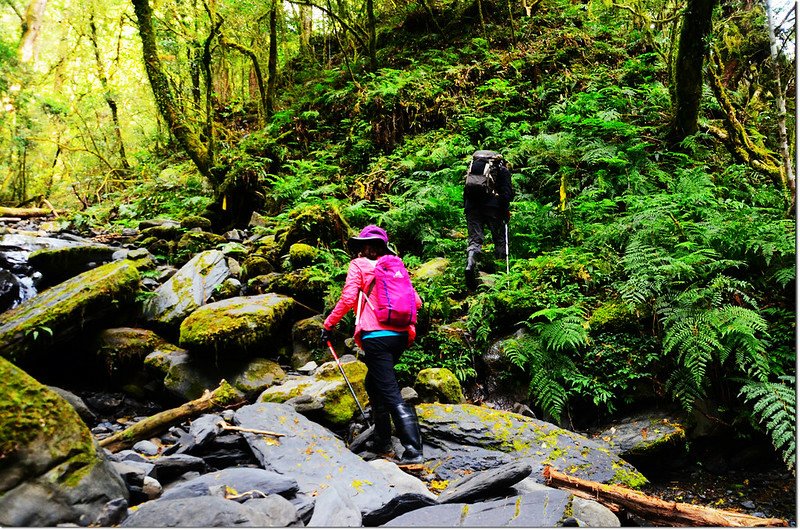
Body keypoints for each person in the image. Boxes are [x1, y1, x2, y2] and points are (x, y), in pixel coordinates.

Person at [320, 225, 424, 464]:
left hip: (376, 337)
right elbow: (416, 302)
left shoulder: (358, 265)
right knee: (374, 383)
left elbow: (348, 298)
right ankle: (382, 439)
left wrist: (328, 325)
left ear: (362, 247)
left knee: (389, 390)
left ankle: (413, 450)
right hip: (399, 337)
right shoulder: (394, 267)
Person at [464, 153, 515, 289]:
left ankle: (470, 264)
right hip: (493, 209)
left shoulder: (473, 169)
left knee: (475, 240)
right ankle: (501, 275)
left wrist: (468, 208)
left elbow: (466, 192)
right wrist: (505, 212)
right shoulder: (502, 170)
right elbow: (506, 194)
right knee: (499, 239)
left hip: (472, 208)